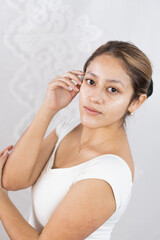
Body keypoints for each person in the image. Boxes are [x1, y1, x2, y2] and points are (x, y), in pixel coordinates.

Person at [0, 40, 153, 240]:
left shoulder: (108, 173)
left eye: (113, 89)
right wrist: (49, 108)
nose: (95, 97)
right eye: (91, 82)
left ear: (136, 102)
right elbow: (12, 180)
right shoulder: (68, 129)